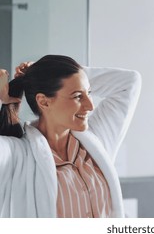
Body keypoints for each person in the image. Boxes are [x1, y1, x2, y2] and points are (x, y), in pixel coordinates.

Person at [0, 55, 141, 218]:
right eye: (78, 96)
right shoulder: (15, 154)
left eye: (89, 93)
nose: (90, 105)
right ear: (44, 102)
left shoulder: (96, 140)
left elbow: (130, 82)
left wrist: (39, 74)